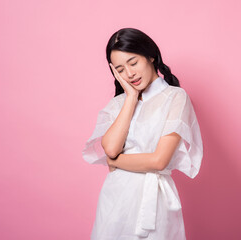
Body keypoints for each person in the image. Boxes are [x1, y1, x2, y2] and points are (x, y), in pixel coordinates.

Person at [82, 28, 203, 239]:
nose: (129, 73)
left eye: (133, 62)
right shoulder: (119, 103)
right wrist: (130, 97)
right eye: (120, 69)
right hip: (115, 199)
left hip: (153, 199)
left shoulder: (175, 97)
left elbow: (159, 161)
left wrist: (116, 162)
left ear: (150, 56)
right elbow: (110, 148)